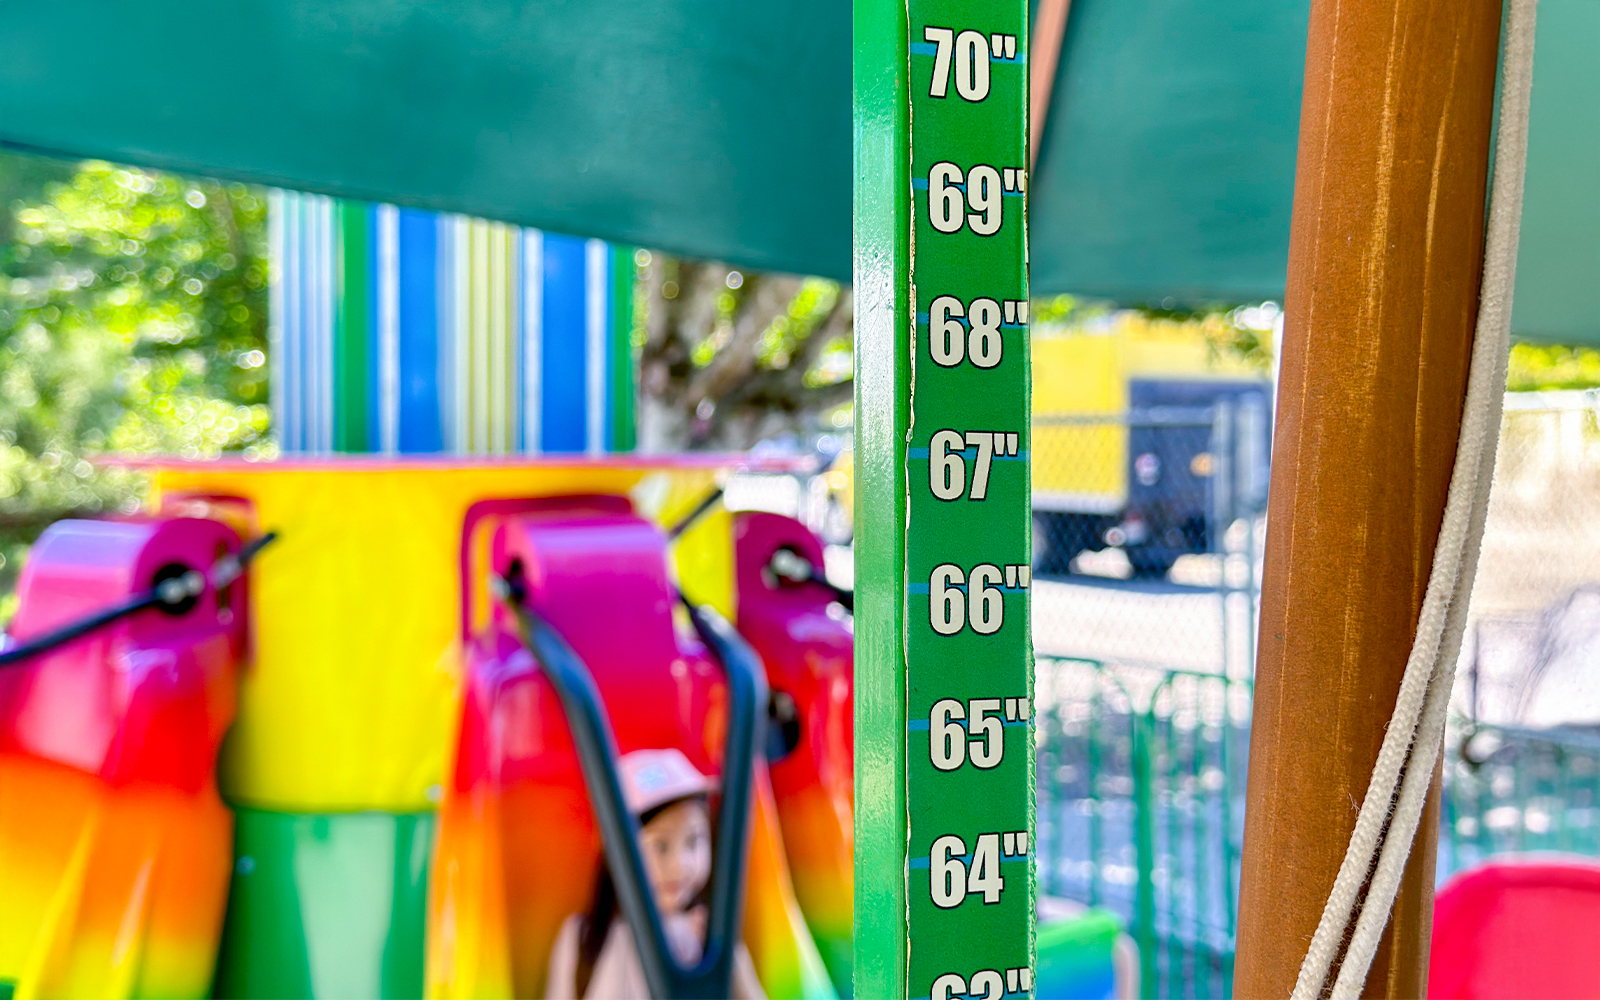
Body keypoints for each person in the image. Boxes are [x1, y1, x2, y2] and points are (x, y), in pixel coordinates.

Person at [545, 748, 766, 999]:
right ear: (615, 852)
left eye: (694, 841)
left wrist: (731, 959)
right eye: (660, 846)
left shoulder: (710, 937)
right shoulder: (581, 940)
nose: (680, 866)